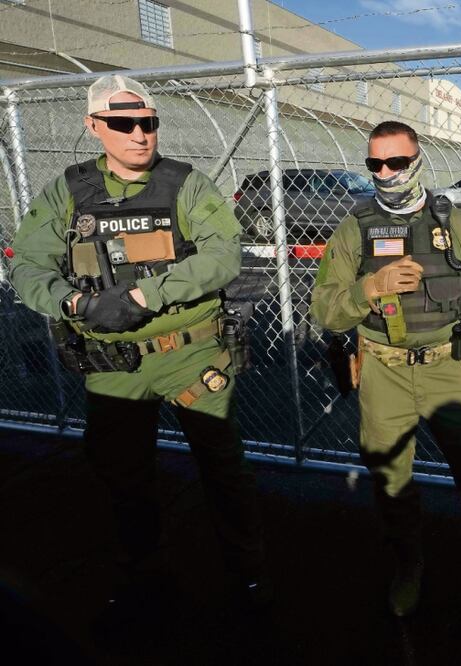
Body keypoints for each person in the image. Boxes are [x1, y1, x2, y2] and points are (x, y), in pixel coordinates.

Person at [9, 75, 266, 624]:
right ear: (94, 126)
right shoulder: (68, 192)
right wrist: (76, 306)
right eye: (123, 124)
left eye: (147, 123)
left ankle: (246, 573)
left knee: (223, 467)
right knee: (123, 475)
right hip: (112, 363)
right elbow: (28, 265)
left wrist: (146, 294)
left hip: (193, 355)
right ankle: (143, 575)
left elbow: (224, 256)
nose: (139, 134)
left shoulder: (185, 185)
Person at [310, 121, 461, 617]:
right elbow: (325, 311)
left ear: (418, 162)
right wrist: (369, 289)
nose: (386, 173)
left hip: (448, 369)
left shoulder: (459, 225)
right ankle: (409, 566)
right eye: (375, 164)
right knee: (392, 481)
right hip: (383, 372)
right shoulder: (353, 229)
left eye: (397, 162)